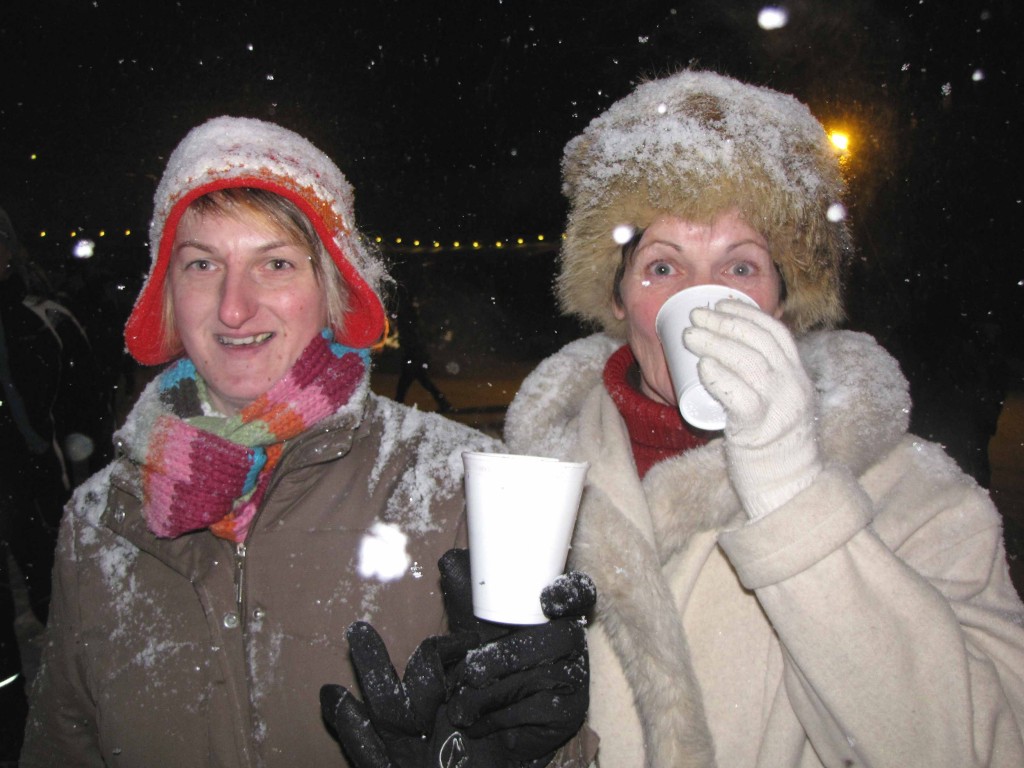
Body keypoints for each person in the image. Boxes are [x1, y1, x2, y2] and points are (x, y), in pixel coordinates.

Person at [21, 116, 593, 767]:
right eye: (203, 263)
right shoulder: (99, 523)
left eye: (276, 263)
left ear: (331, 289)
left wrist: (523, 752)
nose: (235, 308)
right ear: (168, 294)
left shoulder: (460, 488)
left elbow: (539, 733)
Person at [503, 70, 1024, 767]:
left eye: (741, 268)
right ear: (620, 298)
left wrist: (788, 487)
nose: (705, 301)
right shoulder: (531, 489)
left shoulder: (915, 495)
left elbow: (987, 747)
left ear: (782, 301)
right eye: (662, 268)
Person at [0, 205, 104, 762]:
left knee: (62, 614)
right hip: (29, 493)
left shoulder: (46, 322)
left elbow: (86, 411)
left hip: (41, 495)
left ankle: (75, 718)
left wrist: (86, 485)